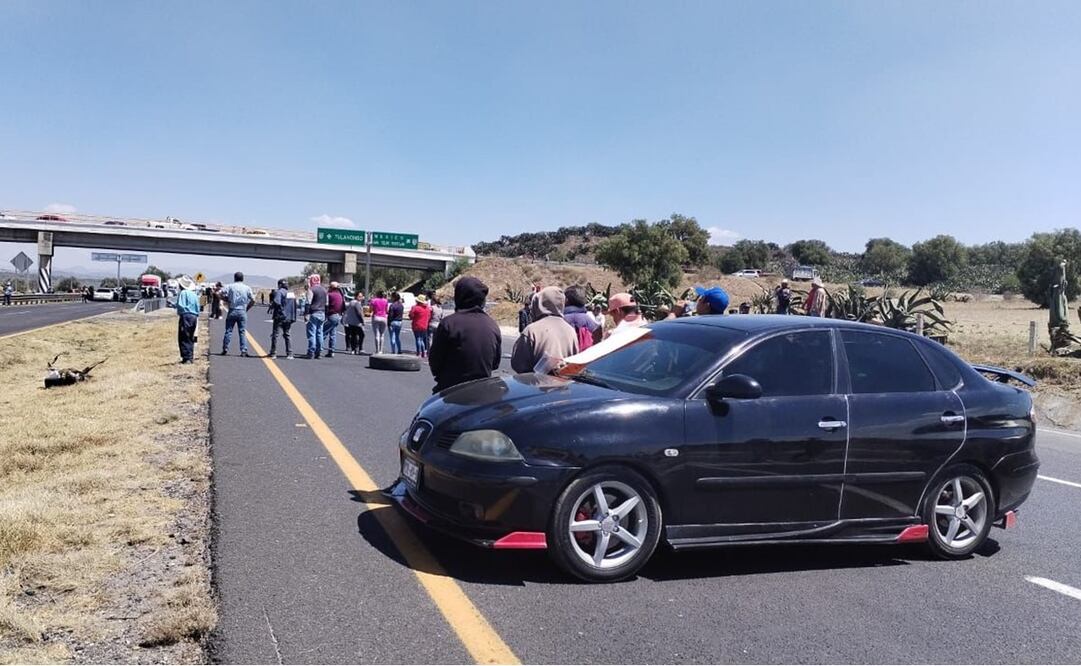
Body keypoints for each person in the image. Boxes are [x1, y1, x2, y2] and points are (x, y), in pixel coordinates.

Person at [429, 276, 502, 393]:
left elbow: (435, 362)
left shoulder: (449, 323)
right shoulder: (492, 325)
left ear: (459, 296)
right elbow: (495, 364)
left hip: (450, 393)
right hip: (482, 392)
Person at [512, 286, 578, 373]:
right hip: (562, 384)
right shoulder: (571, 331)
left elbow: (518, 364)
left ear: (539, 304)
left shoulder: (532, 330)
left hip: (535, 384)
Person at [220, 272, 255, 356]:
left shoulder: (230, 286)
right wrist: (247, 308)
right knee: (242, 331)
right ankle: (243, 350)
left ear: (234, 278)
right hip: (242, 310)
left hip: (232, 310)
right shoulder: (247, 288)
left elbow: (220, 293)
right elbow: (253, 300)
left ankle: (225, 348)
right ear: (243, 279)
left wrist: (226, 299)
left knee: (228, 331)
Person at [172, 277, 201, 364]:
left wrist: (176, 308)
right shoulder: (194, 294)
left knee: (184, 336)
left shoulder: (183, 293)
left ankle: (186, 357)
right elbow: (198, 306)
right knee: (190, 337)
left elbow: (181, 305)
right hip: (194, 316)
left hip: (186, 315)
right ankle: (190, 356)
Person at [267, 279, 297, 359]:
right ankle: (289, 354)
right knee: (287, 335)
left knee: (275, 335)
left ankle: (273, 353)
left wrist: (272, 307)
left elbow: (277, 302)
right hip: (289, 317)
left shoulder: (279, 292)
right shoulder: (291, 294)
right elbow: (294, 306)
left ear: (280, 285)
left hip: (280, 317)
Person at [304, 274, 327, 359]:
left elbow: (308, 303)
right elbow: (327, 304)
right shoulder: (324, 290)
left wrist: (306, 314)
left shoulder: (311, 289)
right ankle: (319, 352)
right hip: (322, 313)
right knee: (319, 333)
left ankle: (311, 351)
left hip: (313, 313)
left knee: (311, 333)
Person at [324, 281, 346, 358]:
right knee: (333, 334)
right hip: (338, 315)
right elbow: (343, 306)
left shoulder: (329, 295)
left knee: (322, 333)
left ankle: (318, 349)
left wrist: (325, 314)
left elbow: (326, 305)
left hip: (331, 315)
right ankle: (331, 351)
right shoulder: (340, 295)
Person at [370, 290, 389, 354]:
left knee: (376, 335)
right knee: (382, 335)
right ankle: (381, 350)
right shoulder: (385, 301)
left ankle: (377, 350)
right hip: (383, 317)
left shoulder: (374, 300)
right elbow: (386, 310)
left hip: (376, 317)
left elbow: (371, 309)